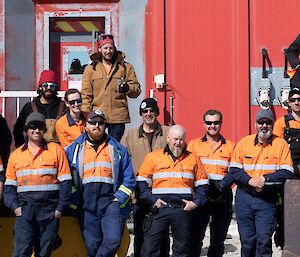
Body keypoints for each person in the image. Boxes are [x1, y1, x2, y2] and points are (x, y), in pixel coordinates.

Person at [65, 109, 136, 257]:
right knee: (91, 244)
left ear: (105, 125)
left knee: (113, 240)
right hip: (85, 203)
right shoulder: (73, 150)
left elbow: (129, 179)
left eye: (100, 123)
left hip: (110, 202)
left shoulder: (118, 149)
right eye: (92, 122)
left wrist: (119, 199)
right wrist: (75, 198)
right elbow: (65, 178)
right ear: (86, 125)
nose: (96, 126)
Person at [4, 112, 72, 257]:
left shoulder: (56, 150)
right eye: (33, 127)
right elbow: (9, 188)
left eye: (40, 127)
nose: (36, 130)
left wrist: (59, 209)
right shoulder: (15, 155)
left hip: (49, 212)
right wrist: (16, 208)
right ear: (26, 130)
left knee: (44, 253)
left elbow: (66, 182)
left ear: (45, 130)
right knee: (21, 252)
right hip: (25, 214)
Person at [136, 125, 209, 257]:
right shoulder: (153, 157)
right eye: (175, 139)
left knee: (182, 251)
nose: (178, 143)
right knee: (150, 250)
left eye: (181, 139)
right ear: (168, 138)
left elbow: (203, 186)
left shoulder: (193, 159)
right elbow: (141, 183)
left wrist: (195, 203)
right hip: (159, 209)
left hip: (182, 210)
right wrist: (152, 200)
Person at [229, 109, 294, 257]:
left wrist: (265, 179)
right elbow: (234, 169)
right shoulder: (244, 143)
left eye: (268, 122)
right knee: (247, 242)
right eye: (261, 122)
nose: (264, 126)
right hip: (244, 198)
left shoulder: (280, 144)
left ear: (272, 124)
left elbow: (287, 171)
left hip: (267, 199)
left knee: (264, 241)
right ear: (255, 124)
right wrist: (250, 181)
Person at [121, 98, 170, 257]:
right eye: (145, 111)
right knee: (140, 234)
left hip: (163, 193)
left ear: (157, 112)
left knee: (162, 235)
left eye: (152, 110)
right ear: (141, 114)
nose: (149, 114)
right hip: (139, 195)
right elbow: (122, 162)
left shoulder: (168, 133)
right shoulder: (130, 135)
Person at [187, 109, 235, 257]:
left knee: (218, 238)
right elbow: (188, 169)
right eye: (209, 123)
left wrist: (222, 185)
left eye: (216, 123)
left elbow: (234, 171)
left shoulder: (231, 146)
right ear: (204, 124)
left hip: (223, 193)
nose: (212, 126)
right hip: (201, 194)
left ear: (221, 123)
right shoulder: (194, 145)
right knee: (195, 235)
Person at [81, 34, 141, 141]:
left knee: (114, 147)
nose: (108, 51)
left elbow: (136, 89)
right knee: (98, 145)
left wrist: (128, 88)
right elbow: (86, 94)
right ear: (99, 49)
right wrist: (87, 116)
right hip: (97, 116)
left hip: (118, 117)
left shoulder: (125, 67)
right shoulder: (91, 69)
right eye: (105, 48)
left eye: (111, 48)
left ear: (115, 49)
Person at [13, 70, 65, 147]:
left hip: (58, 152)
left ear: (56, 88)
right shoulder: (29, 107)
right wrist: (22, 147)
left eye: (52, 85)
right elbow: (17, 129)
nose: (49, 88)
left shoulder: (63, 107)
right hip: (35, 151)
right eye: (45, 85)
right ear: (40, 87)